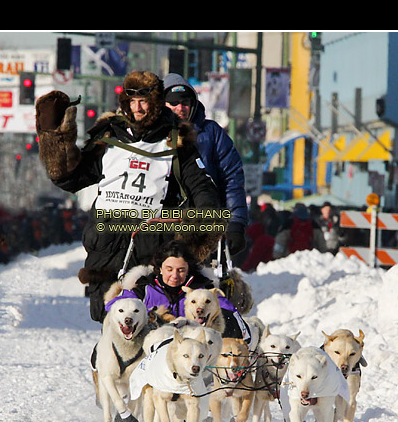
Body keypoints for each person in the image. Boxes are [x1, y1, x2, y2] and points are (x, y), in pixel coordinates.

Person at [35, 70, 222, 323]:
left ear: (156, 102)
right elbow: (69, 178)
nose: (138, 108)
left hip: (150, 242)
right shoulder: (109, 135)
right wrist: (55, 139)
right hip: (106, 240)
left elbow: (202, 188)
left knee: (148, 317)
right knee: (108, 316)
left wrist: (202, 225)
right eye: (132, 101)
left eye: (144, 101)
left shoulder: (175, 141)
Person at [162, 74, 249, 259]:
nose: (180, 108)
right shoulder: (151, 138)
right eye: (173, 102)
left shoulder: (212, 133)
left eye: (185, 102)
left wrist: (236, 223)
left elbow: (232, 180)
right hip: (160, 224)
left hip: (203, 226)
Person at [105, 240, 250, 342]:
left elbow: (230, 313)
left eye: (181, 270)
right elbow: (112, 307)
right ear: (160, 268)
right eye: (169, 269)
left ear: (188, 270)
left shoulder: (201, 291)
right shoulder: (144, 290)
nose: (174, 276)